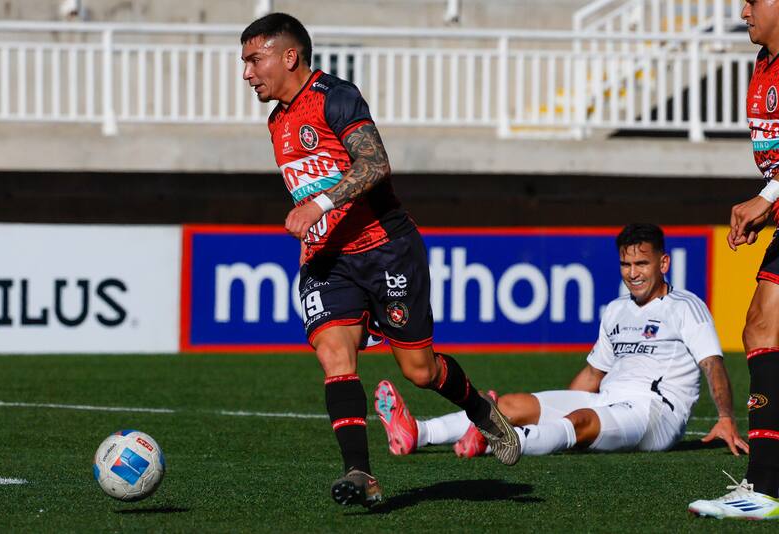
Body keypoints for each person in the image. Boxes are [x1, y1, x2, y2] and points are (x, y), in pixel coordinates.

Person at [239, 13, 519, 508]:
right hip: (328, 261)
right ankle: (360, 473)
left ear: (289, 55)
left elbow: (375, 164)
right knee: (335, 357)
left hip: (387, 248)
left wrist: (320, 204)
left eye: (254, 59)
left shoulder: (336, 97)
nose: (247, 73)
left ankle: (481, 410)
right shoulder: (277, 120)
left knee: (420, 371)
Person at [376, 224, 747, 463]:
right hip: (606, 399)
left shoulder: (685, 307)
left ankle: (492, 441)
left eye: (642, 264)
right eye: (625, 264)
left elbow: (712, 363)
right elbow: (592, 373)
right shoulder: (617, 310)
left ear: (663, 263)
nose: (633, 273)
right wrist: (555, 407)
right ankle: (417, 433)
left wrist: (726, 418)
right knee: (508, 404)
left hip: (656, 414)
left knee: (580, 422)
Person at [687, 0, 779, 521]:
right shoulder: (764, 63)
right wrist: (769, 200)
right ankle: (764, 486)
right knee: (761, 330)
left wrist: (770, 196)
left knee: (763, 331)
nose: (743, 9)